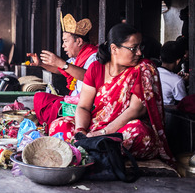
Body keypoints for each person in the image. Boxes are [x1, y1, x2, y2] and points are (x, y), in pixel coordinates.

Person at [49, 23, 175, 165]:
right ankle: (94, 147)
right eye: (134, 48)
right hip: (94, 127)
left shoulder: (144, 69)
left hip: (121, 129)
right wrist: (80, 132)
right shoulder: (96, 68)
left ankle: (91, 147)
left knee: (139, 132)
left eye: (140, 47)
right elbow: (84, 106)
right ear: (114, 48)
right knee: (58, 125)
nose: (139, 53)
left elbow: (136, 110)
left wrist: (102, 133)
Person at [29, 14, 98, 131]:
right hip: (73, 100)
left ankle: (50, 126)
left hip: (86, 105)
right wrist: (41, 64)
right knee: (40, 97)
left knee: (55, 106)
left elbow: (88, 77)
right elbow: (61, 70)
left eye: (65, 41)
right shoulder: (76, 58)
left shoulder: (93, 56)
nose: (63, 45)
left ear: (79, 41)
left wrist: (61, 63)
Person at [158, 41, 187, 105]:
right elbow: (183, 105)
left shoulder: (153, 72)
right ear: (178, 61)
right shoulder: (177, 80)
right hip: (169, 114)